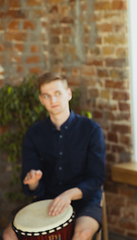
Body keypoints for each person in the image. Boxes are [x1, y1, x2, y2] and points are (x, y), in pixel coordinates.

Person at [2, 72, 106, 240]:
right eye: (47, 96)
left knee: (82, 234)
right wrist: (33, 182)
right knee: (8, 235)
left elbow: (97, 178)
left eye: (58, 93)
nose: (53, 100)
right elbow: (31, 188)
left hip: (83, 201)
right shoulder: (33, 134)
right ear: (41, 99)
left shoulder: (91, 130)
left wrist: (69, 195)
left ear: (68, 94)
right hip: (47, 202)